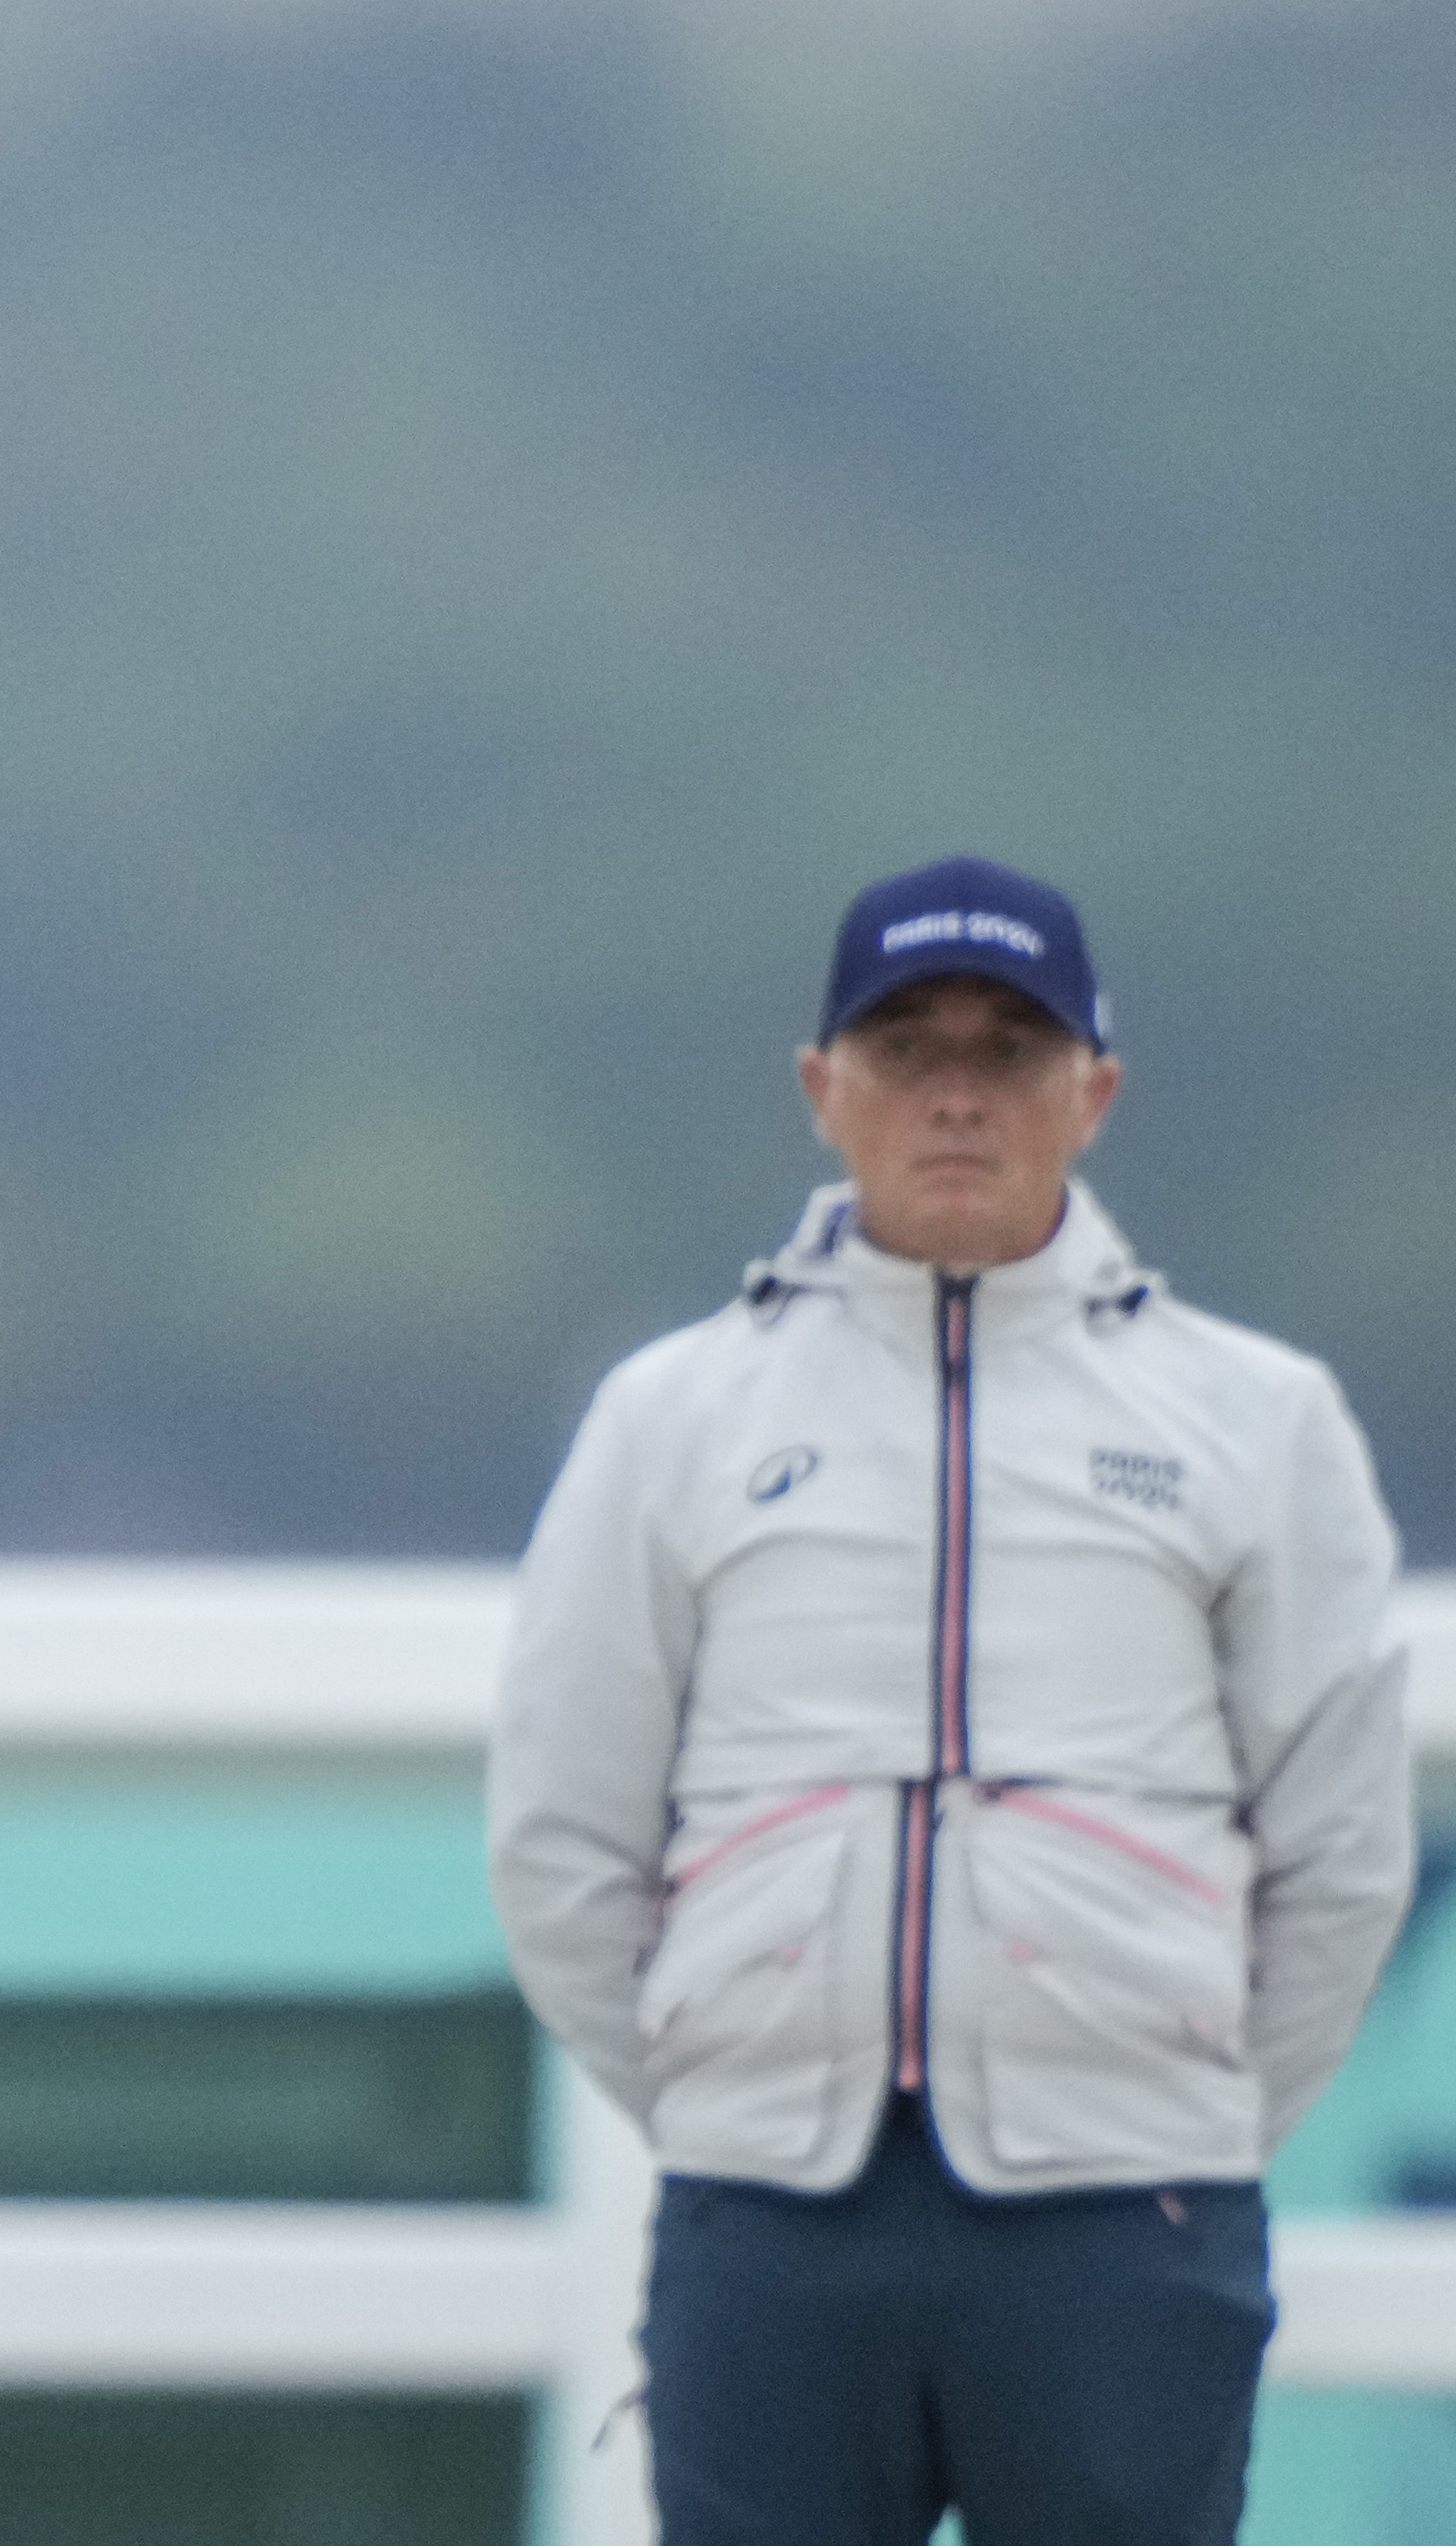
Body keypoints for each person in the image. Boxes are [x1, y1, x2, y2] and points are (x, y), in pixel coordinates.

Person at [489, 856, 1411, 2546]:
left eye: (1011, 1046)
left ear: (1095, 1092)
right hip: (765, 2213)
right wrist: (726, 2083)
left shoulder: (1255, 1419)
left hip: (1126, 2216)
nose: (958, 1090)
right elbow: (561, 1832)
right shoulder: (669, 1413)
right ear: (820, 1087)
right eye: (907, 1045)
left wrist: (1173, 2103)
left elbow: (1340, 1849)